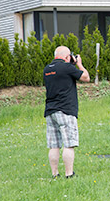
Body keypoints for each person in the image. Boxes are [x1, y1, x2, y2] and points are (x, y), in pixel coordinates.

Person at [43, 46, 90, 179]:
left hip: (50, 111)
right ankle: (69, 174)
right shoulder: (67, 68)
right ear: (67, 56)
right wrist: (79, 64)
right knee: (69, 144)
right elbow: (86, 77)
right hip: (65, 110)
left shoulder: (47, 69)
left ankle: (55, 174)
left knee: (54, 145)